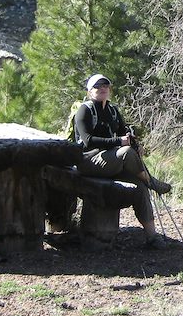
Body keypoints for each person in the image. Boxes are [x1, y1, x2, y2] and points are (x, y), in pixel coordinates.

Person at [73, 74, 172, 249]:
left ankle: (152, 236)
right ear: (89, 92)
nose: (102, 88)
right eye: (97, 86)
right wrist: (119, 142)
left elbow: (124, 133)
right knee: (126, 152)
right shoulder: (84, 110)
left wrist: (135, 145)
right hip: (88, 162)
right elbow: (88, 140)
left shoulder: (113, 111)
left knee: (139, 188)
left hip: (109, 161)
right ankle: (150, 181)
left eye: (106, 85)